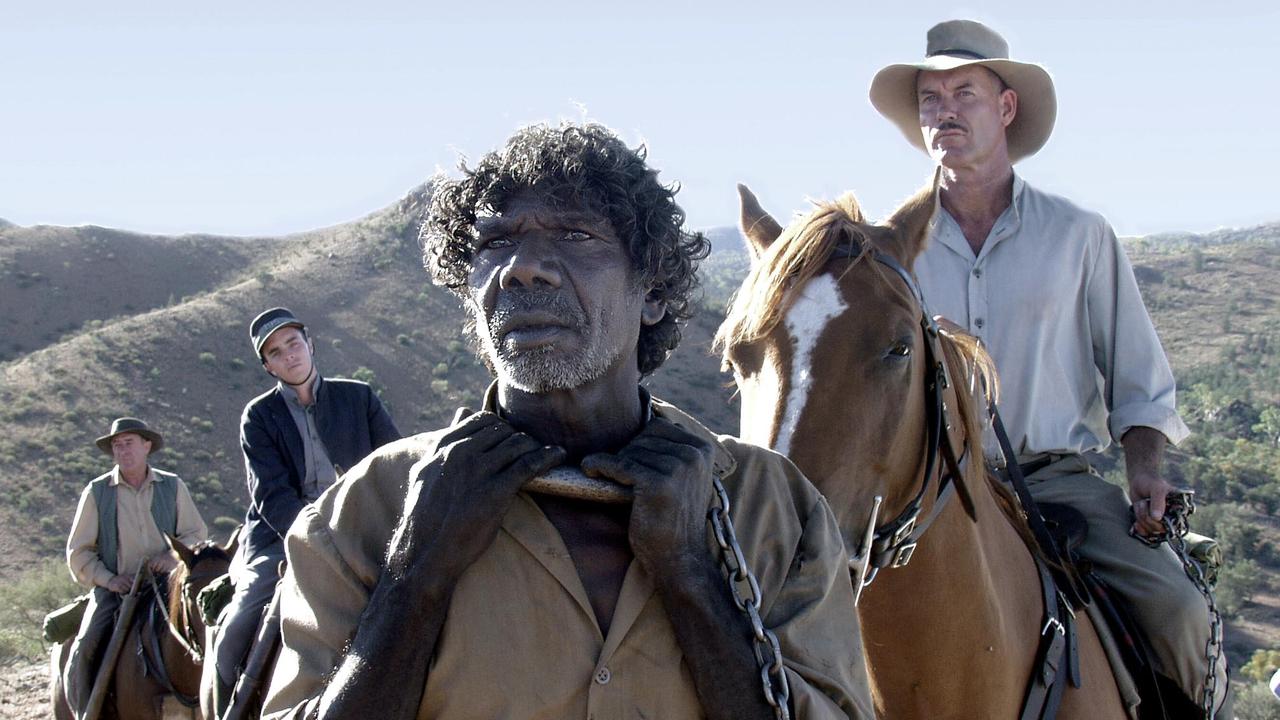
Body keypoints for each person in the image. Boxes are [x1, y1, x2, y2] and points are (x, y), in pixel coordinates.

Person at [261, 123, 872, 720]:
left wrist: (690, 576)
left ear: (653, 291)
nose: (523, 268)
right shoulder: (363, 513)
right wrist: (416, 577)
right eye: (494, 243)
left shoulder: (775, 508)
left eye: (577, 236)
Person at [869, 18, 1228, 716]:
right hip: (927, 498)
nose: (944, 110)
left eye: (963, 92)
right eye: (930, 97)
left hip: (1056, 485)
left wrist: (1146, 470)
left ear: (1005, 108)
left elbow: (1137, 380)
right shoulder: (886, 254)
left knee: (1179, 611)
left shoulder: (1078, 236)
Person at [207, 307, 401, 714]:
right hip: (282, 537)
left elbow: (394, 463)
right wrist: (315, 537)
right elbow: (271, 496)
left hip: (362, 529)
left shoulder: (358, 397)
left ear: (310, 343)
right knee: (237, 628)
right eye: (276, 352)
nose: (289, 355)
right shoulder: (258, 417)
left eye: (293, 343)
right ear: (267, 366)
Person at [64, 417, 208, 714]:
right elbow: (78, 552)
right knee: (86, 645)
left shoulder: (172, 485)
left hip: (168, 585)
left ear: (147, 446)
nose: (122, 450)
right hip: (117, 590)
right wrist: (109, 579)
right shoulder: (97, 491)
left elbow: (196, 534)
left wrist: (172, 558)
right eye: (117, 445)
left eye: (128, 443)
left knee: (211, 626)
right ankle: (87, 712)